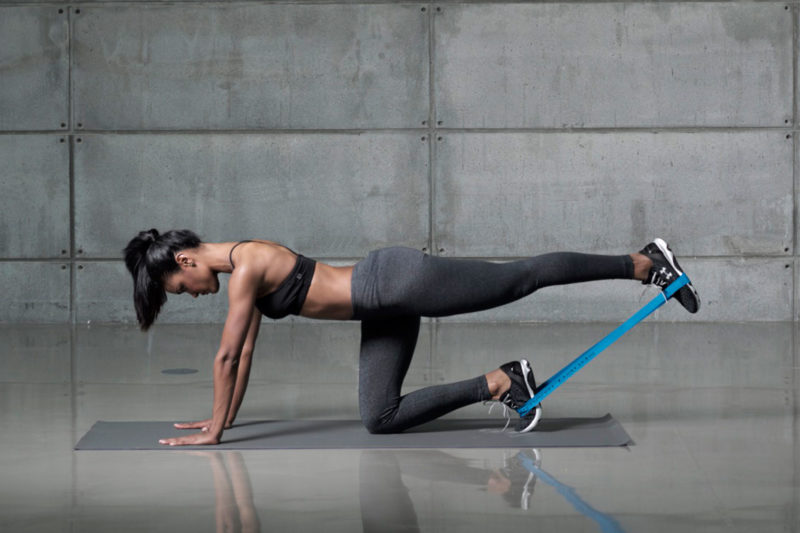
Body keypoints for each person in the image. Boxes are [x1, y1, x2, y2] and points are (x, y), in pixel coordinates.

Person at [123, 230, 699, 446]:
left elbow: (227, 352)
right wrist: (218, 419)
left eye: (180, 286)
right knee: (381, 417)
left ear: (184, 259)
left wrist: (217, 431)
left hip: (397, 282)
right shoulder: (238, 272)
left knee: (519, 277)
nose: (191, 293)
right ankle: (503, 382)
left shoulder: (245, 263)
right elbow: (242, 353)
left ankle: (643, 264)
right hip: (381, 309)